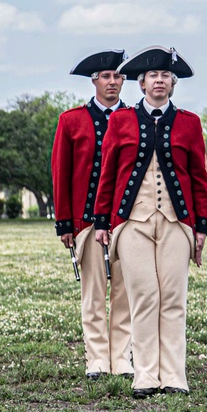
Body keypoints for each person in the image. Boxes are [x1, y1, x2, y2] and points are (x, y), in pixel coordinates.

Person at [94, 46, 207, 399]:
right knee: (144, 296)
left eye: (166, 77)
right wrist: (103, 221)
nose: (159, 81)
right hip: (133, 222)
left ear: (172, 85)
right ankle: (145, 375)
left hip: (177, 222)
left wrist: (201, 227)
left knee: (174, 298)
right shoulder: (121, 121)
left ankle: (174, 375)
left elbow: (198, 177)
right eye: (153, 77)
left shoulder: (190, 123)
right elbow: (109, 173)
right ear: (141, 84)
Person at [51, 50, 133, 381]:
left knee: (126, 293)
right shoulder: (71, 121)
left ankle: (123, 357)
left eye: (117, 76)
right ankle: (97, 358)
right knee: (93, 293)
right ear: (94, 80)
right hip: (85, 222)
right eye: (106, 76)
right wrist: (65, 223)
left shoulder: (134, 118)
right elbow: (61, 173)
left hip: (127, 222)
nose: (112, 82)